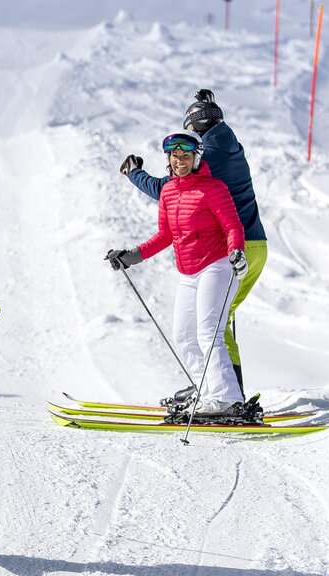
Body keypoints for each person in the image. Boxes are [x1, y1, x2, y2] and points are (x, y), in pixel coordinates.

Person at [119, 89, 267, 397]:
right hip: (250, 241)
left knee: (214, 324)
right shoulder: (228, 144)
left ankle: (228, 396)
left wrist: (135, 174)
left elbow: (167, 188)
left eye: (190, 132)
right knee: (210, 324)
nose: (183, 155)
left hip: (233, 244)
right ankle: (214, 388)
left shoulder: (209, 157)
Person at [107, 131, 249, 415]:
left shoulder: (213, 188)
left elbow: (233, 226)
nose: (180, 161)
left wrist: (236, 252)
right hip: (189, 272)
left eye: (186, 156)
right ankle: (207, 392)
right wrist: (132, 256)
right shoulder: (169, 192)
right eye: (175, 156)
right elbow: (165, 235)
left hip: (218, 265)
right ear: (168, 159)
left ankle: (228, 399)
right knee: (183, 334)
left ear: (196, 158)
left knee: (209, 333)